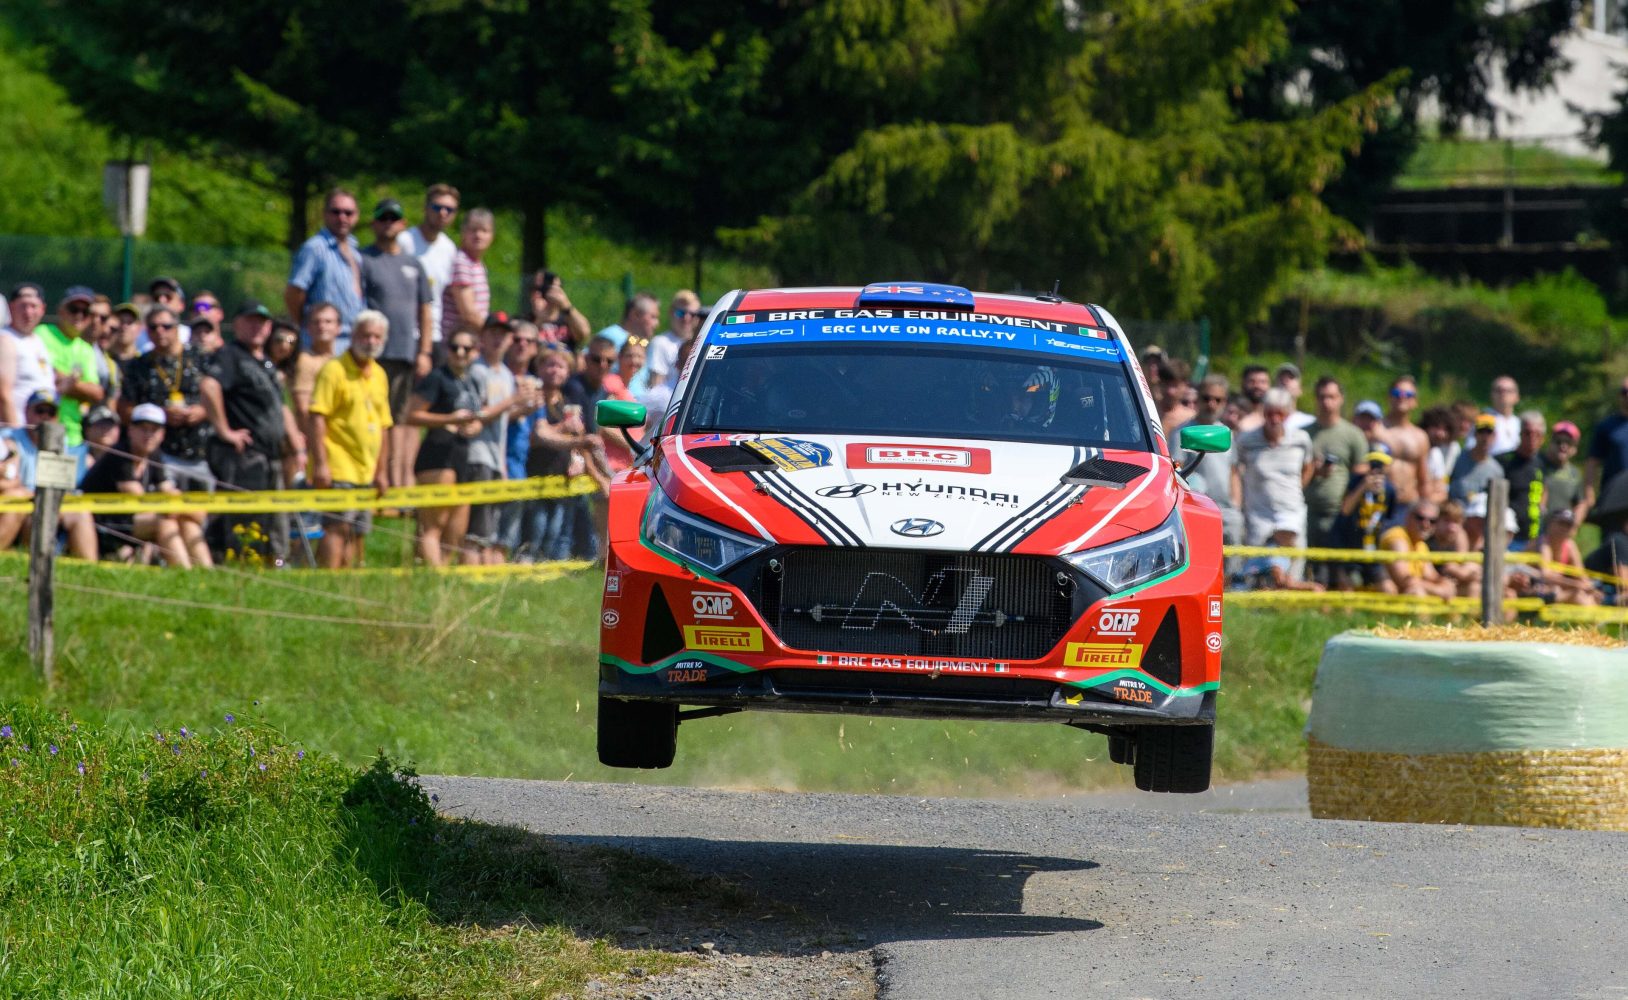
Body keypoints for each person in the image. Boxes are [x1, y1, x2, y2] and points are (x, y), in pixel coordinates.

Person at [202, 300, 301, 565]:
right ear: (236, 325)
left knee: (274, 517)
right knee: (246, 517)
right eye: (250, 321)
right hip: (245, 456)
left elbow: (280, 407)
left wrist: (296, 445)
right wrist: (225, 431)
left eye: (262, 322)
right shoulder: (230, 355)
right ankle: (241, 563)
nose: (257, 327)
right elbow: (209, 386)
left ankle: (273, 562)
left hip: (272, 456)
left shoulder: (266, 362)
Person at [307, 310, 392, 569]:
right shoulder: (333, 370)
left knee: (358, 532)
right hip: (338, 466)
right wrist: (321, 464)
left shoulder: (380, 374)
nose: (371, 341)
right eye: (365, 335)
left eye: (377, 337)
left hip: (366, 470)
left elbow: (384, 426)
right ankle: (328, 580)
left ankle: (349, 581)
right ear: (353, 336)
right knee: (336, 527)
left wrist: (382, 471)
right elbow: (317, 417)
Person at [361, 196, 434, 492]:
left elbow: (425, 310)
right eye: (383, 218)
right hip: (373, 354)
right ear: (374, 223)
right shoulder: (364, 260)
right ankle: (377, 480)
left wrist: (425, 351)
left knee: (400, 421)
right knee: (374, 418)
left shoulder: (413, 264)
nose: (388, 223)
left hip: (405, 354)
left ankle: (399, 483)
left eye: (394, 218)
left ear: (403, 224)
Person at [81, 402, 208, 568]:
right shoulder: (120, 455)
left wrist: (184, 509)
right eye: (143, 429)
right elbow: (140, 501)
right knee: (165, 522)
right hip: (102, 524)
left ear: (162, 434)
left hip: (131, 521)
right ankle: (184, 572)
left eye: (154, 430)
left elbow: (168, 491)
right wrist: (186, 508)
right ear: (130, 430)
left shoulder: (153, 455)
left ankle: (207, 573)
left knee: (188, 523)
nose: (149, 435)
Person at [407, 327, 485, 566]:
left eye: (466, 348)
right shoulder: (437, 377)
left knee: (456, 528)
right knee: (434, 525)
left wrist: (475, 426)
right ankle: (434, 576)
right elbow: (411, 414)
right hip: (436, 455)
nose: (460, 352)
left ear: (475, 352)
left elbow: (475, 416)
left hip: (462, 453)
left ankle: (443, 575)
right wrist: (450, 419)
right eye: (454, 347)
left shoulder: (471, 381)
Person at [119, 306, 216, 492]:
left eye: (166, 326)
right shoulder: (138, 365)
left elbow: (223, 397)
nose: (159, 331)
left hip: (202, 452)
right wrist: (159, 415)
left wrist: (204, 411)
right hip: (161, 455)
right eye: (153, 327)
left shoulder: (201, 358)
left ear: (177, 328)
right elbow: (125, 409)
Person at [524, 344, 603, 561]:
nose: (554, 371)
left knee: (555, 532)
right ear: (539, 368)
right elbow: (535, 436)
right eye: (549, 365)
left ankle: (548, 572)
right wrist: (565, 429)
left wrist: (577, 458)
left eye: (560, 366)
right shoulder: (535, 400)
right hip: (536, 474)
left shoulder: (567, 403)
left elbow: (575, 442)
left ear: (568, 372)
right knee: (536, 530)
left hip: (562, 476)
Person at [1234, 387, 1314, 572]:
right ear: (1263, 413)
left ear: (1288, 415)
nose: (1275, 418)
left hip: (1291, 512)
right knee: (1257, 571)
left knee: (1292, 572)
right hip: (1259, 515)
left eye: (1280, 413)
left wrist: (1297, 488)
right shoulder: (1246, 440)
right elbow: (1235, 470)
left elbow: (1309, 467)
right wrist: (1239, 502)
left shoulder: (1301, 439)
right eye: (1270, 413)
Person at [465, 315, 521, 565]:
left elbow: (501, 422)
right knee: (477, 524)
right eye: (493, 333)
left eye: (504, 334)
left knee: (490, 522)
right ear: (483, 337)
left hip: (495, 456)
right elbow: (477, 415)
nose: (498, 339)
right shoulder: (476, 370)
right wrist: (513, 400)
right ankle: (470, 572)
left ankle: (483, 573)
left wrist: (502, 464)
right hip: (477, 453)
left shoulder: (506, 375)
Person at [1304, 375, 1369, 587]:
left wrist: (1349, 507)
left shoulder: (1353, 434)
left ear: (1341, 399)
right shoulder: (1304, 434)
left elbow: (1360, 476)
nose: (1326, 402)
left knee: (1342, 573)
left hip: (1340, 514)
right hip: (1307, 512)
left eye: (1331, 397)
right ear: (1315, 399)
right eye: (1322, 397)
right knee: (1312, 570)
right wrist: (1314, 470)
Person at [286, 188, 364, 341]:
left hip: (352, 339)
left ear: (357, 216)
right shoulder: (315, 248)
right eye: (336, 212)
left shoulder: (355, 251)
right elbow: (294, 292)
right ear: (325, 214)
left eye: (348, 213)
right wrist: (306, 326)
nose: (342, 217)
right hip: (322, 340)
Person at [38, 285, 106, 449]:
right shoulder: (42, 333)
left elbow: (97, 393)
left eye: (85, 312)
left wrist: (68, 383)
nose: (79, 315)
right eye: (74, 309)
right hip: (39, 430)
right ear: (61, 310)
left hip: (73, 435)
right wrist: (75, 385)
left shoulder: (86, 349)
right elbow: (46, 377)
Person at [1179, 374, 1242, 547]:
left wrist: (1236, 504)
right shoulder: (1184, 432)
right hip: (1198, 510)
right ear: (1197, 398)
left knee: (1234, 557)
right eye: (1206, 398)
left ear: (1225, 402)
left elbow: (1234, 471)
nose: (1211, 404)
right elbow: (1177, 471)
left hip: (1227, 512)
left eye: (1217, 399)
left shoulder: (1227, 433)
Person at [398, 183, 460, 348]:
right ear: (425, 208)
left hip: (435, 334)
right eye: (437, 207)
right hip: (403, 332)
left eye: (449, 209)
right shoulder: (404, 241)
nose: (443, 213)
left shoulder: (449, 249)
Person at [1337, 448, 1397, 591]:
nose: (1377, 471)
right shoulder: (1356, 481)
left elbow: (1388, 519)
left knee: (1388, 589)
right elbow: (1345, 510)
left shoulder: (1389, 490)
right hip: (1351, 547)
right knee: (1350, 586)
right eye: (1374, 465)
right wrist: (1363, 487)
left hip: (1372, 549)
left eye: (1381, 468)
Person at [1, 283, 55, 426]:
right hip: (18, 430)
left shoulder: (38, 340)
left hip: (39, 431)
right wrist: (14, 432)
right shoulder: (6, 340)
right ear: (11, 307)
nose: (28, 312)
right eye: (23, 306)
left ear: (43, 309)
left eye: (33, 306)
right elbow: (3, 394)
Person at [1379, 502, 1458, 598]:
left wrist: (1445, 583)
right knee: (1416, 592)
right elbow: (1404, 580)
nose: (1426, 524)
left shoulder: (1421, 545)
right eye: (1420, 518)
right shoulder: (1397, 538)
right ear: (1408, 517)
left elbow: (1432, 576)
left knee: (1468, 585)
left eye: (1432, 521)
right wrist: (1438, 590)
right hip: (1383, 599)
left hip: (1403, 597)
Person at [441, 209, 494, 342]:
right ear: (463, 232)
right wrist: (492, 335)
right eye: (473, 230)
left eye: (484, 231)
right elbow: (468, 313)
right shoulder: (461, 262)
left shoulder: (477, 264)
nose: (478, 235)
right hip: (457, 342)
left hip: (472, 339)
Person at [1497, 411, 1548, 549]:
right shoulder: (1504, 461)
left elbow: (1544, 488)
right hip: (1507, 536)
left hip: (1534, 537)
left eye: (1537, 434)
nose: (1532, 438)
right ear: (1520, 433)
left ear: (1543, 438)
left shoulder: (1542, 463)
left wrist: (1542, 507)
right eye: (1527, 433)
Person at [290, 303, 340, 438]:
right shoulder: (305, 360)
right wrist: (317, 441)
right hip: (318, 438)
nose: (322, 326)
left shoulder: (342, 361)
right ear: (308, 328)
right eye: (316, 322)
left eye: (328, 322)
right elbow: (303, 408)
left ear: (338, 327)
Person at [1379, 375, 1430, 505]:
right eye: (1397, 393)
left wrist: (1425, 506)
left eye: (1408, 395)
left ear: (1415, 401)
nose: (1402, 397)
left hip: (1407, 506)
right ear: (1388, 397)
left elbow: (1423, 480)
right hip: (1378, 503)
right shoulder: (1376, 429)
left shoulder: (1420, 436)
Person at [1584, 375, 1628, 517]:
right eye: (1624, 392)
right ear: (1619, 395)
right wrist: (1589, 493)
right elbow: (1592, 462)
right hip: (1613, 498)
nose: (1627, 396)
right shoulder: (1606, 426)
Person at [1535, 509, 1596, 606]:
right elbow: (1545, 576)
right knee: (1572, 594)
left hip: (1554, 589)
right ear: (1550, 524)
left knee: (1587, 596)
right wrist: (1576, 585)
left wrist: (1590, 588)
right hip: (1534, 587)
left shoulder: (1570, 545)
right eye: (1561, 523)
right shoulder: (1543, 543)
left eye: (1568, 525)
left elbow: (1580, 574)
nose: (1564, 529)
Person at [645, 290, 702, 390]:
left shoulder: (701, 343)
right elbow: (656, 387)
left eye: (692, 314)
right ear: (671, 313)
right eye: (681, 313)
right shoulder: (660, 343)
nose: (686, 318)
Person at [525, 269, 592, 350]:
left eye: (547, 288)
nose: (540, 293)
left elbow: (584, 335)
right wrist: (540, 317)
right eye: (537, 289)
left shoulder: (569, 320)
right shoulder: (525, 321)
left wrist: (566, 306)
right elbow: (524, 344)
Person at [1449, 414, 1505, 504]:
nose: (1485, 437)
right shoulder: (1457, 458)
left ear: (1495, 436)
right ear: (1475, 434)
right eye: (1481, 431)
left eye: (1489, 432)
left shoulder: (1497, 470)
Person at [1541, 420, 1586, 524]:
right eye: (1558, 441)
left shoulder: (1575, 474)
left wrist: (1574, 524)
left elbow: (1581, 503)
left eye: (1569, 443)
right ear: (1550, 442)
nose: (1563, 446)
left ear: (1575, 449)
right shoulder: (1537, 464)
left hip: (1560, 529)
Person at [595, 292, 660, 354]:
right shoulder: (609, 338)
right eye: (653, 317)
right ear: (636, 315)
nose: (657, 323)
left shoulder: (641, 342)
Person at [1419, 405, 1459, 503]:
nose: (1440, 434)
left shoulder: (1436, 454)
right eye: (1436, 427)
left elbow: (1442, 492)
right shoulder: (1414, 449)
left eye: (1445, 430)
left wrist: (1425, 503)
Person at [1483, 376, 1521, 456]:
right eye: (1499, 390)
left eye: (1508, 391)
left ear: (1517, 397)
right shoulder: (1484, 418)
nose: (1503, 394)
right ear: (1491, 395)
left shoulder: (1519, 422)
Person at [1273, 362, 1315, 432]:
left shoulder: (1310, 422)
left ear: (1300, 390)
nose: (1285, 380)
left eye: (1291, 377)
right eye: (1281, 378)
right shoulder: (1264, 422)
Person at [1158, 357, 1197, 430]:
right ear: (1159, 383)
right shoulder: (1147, 411)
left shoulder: (1190, 419)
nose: (1170, 391)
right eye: (1166, 384)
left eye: (1175, 385)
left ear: (1185, 386)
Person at [1234, 364, 1270, 432]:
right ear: (1243, 383)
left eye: (1262, 382)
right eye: (1252, 381)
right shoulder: (1232, 414)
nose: (1257, 386)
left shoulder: (1274, 415)